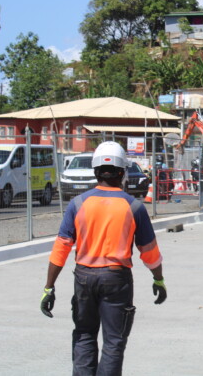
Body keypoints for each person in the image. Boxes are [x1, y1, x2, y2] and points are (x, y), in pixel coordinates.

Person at [40, 141, 166, 375]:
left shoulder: (78, 204)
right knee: (113, 342)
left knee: (84, 334)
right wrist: (158, 279)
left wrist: (49, 287)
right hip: (117, 280)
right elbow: (149, 252)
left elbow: (62, 247)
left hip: (84, 278)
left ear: (95, 171)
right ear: (123, 172)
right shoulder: (134, 207)